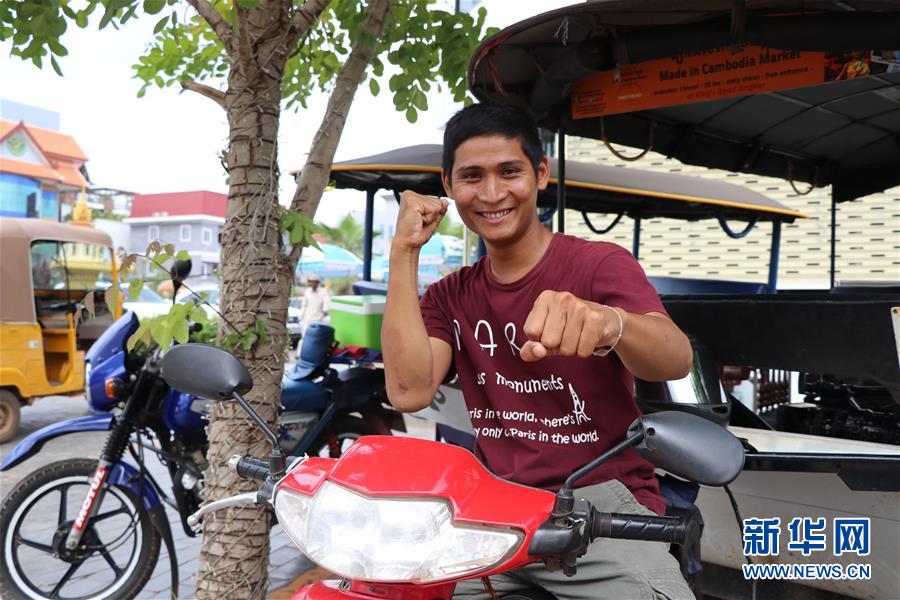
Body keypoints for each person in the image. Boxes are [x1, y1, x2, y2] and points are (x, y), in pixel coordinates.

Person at [381, 102, 695, 599]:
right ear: (448, 185)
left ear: (541, 173)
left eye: (510, 172)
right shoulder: (449, 295)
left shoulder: (598, 265)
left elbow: (675, 358)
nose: (492, 194)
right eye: (472, 176)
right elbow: (407, 391)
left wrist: (610, 323)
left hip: (598, 502)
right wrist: (403, 252)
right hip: (493, 508)